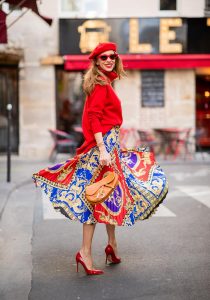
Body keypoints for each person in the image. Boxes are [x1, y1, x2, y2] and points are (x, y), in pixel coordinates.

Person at [33, 42, 168, 276]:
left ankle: (111, 245)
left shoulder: (106, 82)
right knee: (95, 198)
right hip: (102, 150)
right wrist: (103, 150)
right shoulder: (100, 84)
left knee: (110, 195)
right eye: (103, 57)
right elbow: (95, 119)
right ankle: (85, 252)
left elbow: (104, 119)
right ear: (95, 61)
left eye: (112, 56)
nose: (108, 60)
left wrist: (111, 147)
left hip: (109, 147)